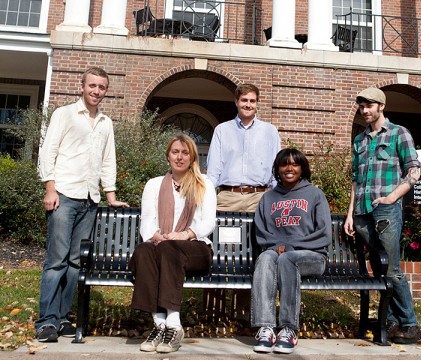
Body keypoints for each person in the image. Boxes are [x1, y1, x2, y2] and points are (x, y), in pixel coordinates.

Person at [36, 67, 129, 342]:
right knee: (56, 261)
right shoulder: (64, 114)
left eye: (101, 87)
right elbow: (48, 152)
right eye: (92, 85)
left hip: (90, 201)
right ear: (82, 86)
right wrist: (49, 189)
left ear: (105, 91)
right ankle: (46, 321)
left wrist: (110, 195)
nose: (96, 91)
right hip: (63, 196)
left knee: (75, 263)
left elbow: (108, 159)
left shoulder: (105, 123)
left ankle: (63, 318)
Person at [344, 87, 421, 344]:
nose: (364, 111)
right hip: (362, 212)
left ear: (381, 106)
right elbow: (355, 180)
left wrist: (392, 197)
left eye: (369, 106)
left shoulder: (399, 133)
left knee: (391, 269)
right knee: (378, 267)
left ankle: (410, 324)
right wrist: (349, 215)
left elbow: (414, 170)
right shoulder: (360, 140)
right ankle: (389, 322)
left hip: (386, 210)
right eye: (361, 106)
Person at [129, 133, 217, 354]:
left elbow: (208, 222)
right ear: (168, 156)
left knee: (168, 249)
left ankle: (174, 325)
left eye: (185, 153)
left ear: (192, 157)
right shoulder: (154, 184)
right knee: (143, 250)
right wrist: (156, 236)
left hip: (196, 246)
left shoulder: (204, 183)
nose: (180, 157)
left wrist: (186, 234)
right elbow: (146, 221)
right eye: (175, 152)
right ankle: (160, 325)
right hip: (164, 243)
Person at [251, 148, 332, 354]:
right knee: (265, 258)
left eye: (294, 164)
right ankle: (265, 327)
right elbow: (261, 231)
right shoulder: (268, 198)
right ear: (278, 169)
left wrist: (290, 246)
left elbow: (323, 233)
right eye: (284, 164)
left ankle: (288, 329)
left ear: (302, 168)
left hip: (312, 256)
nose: (289, 168)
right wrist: (277, 245)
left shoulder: (315, 194)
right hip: (278, 252)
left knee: (288, 259)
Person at [207, 83, 281, 212]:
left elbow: (276, 169)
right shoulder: (222, 130)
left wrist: (278, 197)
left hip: (260, 198)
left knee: (259, 233)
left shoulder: (270, 131)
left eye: (252, 101)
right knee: (223, 232)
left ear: (257, 103)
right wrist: (205, 196)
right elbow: (213, 170)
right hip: (228, 198)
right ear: (236, 102)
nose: (248, 105)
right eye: (244, 100)